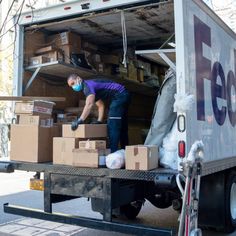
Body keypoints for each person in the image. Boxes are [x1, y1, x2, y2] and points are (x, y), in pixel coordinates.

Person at [67, 74, 131, 152]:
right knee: (122, 125)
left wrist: (80, 120)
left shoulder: (87, 86)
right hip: (124, 94)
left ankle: (113, 153)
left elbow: (89, 104)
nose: (73, 87)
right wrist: (99, 121)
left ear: (78, 79)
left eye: (73, 83)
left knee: (112, 124)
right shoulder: (89, 87)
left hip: (120, 96)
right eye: (71, 86)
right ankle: (126, 152)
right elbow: (100, 105)